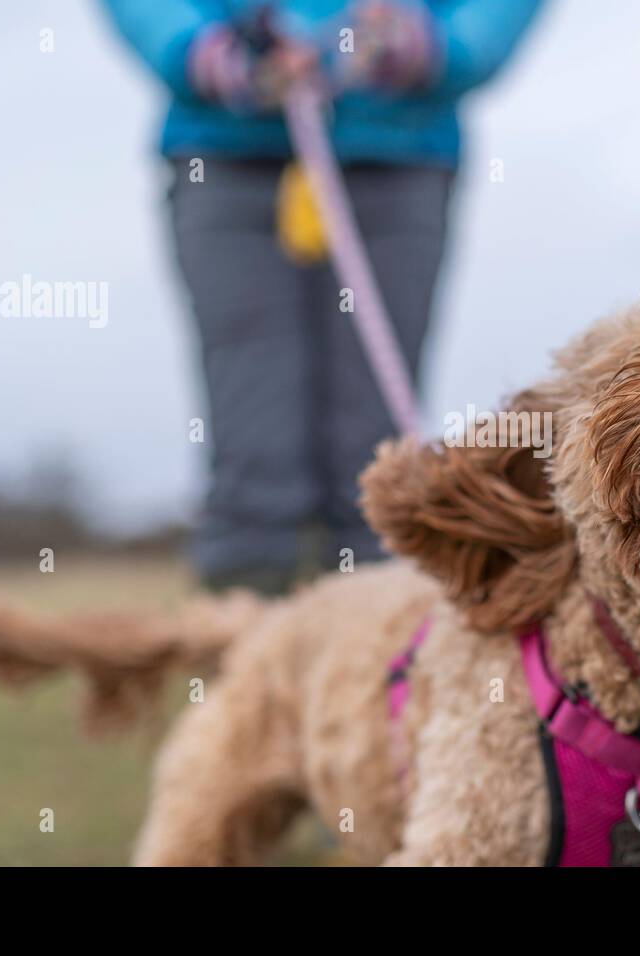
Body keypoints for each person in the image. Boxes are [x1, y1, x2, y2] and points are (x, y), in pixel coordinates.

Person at [100, 0, 542, 594]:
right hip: (227, 154)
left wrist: (431, 47)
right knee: (252, 423)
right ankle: (246, 631)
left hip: (400, 152)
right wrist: (204, 55)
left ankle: (379, 644)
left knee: (375, 440)